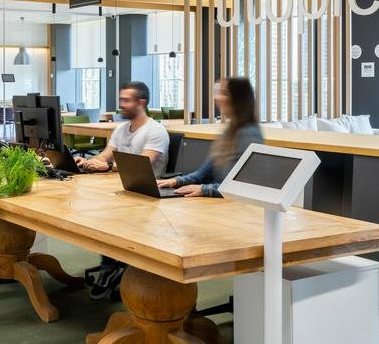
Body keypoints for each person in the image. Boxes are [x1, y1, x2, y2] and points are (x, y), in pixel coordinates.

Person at [75, 81, 169, 300]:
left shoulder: (155, 131)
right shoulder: (120, 129)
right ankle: (110, 266)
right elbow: (105, 155)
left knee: (106, 213)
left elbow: (141, 165)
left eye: (126, 101)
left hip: (146, 194)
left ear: (141, 102)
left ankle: (113, 267)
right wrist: (89, 162)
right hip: (118, 188)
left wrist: (106, 167)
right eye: (121, 100)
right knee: (90, 208)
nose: (121, 105)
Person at [157, 77, 263, 197]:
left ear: (238, 99)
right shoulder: (229, 131)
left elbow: (241, 186)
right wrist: (175, 181)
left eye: (224, 93)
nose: (217, 98)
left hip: (234, 206)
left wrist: (205, 189)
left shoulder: (248, 134)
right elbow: (203, 172)